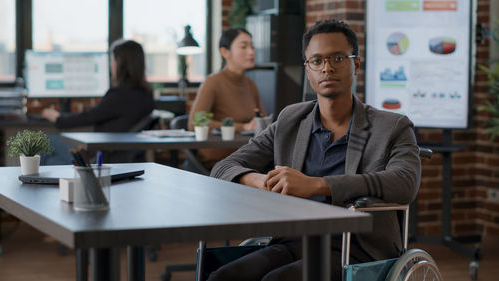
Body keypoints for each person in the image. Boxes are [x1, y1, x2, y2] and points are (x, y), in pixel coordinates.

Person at [208, 19, 421, 281]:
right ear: (308, 70)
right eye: (317, 61)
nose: (327, 68)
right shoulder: (291, 120)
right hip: (293, 239)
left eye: (338, 59)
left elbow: (405, 183)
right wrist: (264, 182)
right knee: (223, 276)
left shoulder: (392, 126)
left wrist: (318, 185)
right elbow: (223, 168)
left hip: (356, 248)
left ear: (355, 64)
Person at [41, 39, 155, 163]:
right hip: (118, 154)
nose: (111, 66)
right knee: (53, 162)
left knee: (47, 141)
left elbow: (89, 117)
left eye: (112, 61)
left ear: (120, 64)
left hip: (103, 155)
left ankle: (33, 182)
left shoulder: (119, 95)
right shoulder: (147, 94)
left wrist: (58, 118)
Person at [188, 28, 266, 168]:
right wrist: (242, 127)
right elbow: (194, 123)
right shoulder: (212, 82)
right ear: (225, 52)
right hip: (220, 161)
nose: (251, 52)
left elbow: (263, 121)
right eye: (244, 47)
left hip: (247, 159)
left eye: (252, 47)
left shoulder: (250, 84)